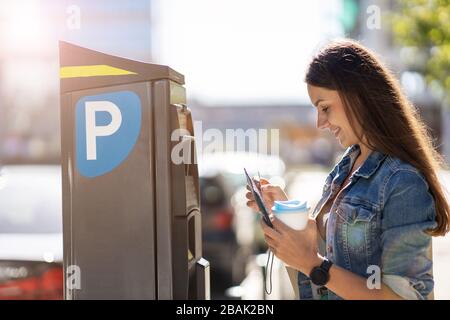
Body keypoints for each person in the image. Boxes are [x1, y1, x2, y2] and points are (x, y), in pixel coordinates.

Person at [246, 39, 449, 300]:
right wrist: (287, 212)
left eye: (325, 108)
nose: (320, 122)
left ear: (357, 96)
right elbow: (335, 255)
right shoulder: (347, 166)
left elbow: (405, 298)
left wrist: (313, 265)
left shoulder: (403, 181)